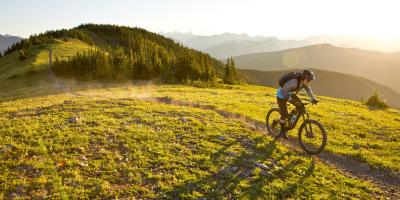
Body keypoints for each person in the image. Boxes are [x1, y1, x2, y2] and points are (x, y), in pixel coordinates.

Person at [276, 69, 318, 139]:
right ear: (304, 78)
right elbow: (284, 92)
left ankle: (290, 116)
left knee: (300, 106)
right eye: (308, 80)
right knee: (283, 114)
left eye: (310, 81)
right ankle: (282, 131)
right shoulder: (294, 83)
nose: (309, 82)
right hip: (282, 95)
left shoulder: (304, 82)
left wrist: (313, 99)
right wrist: (290, 100)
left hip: (290, 93)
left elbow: (308, 89)